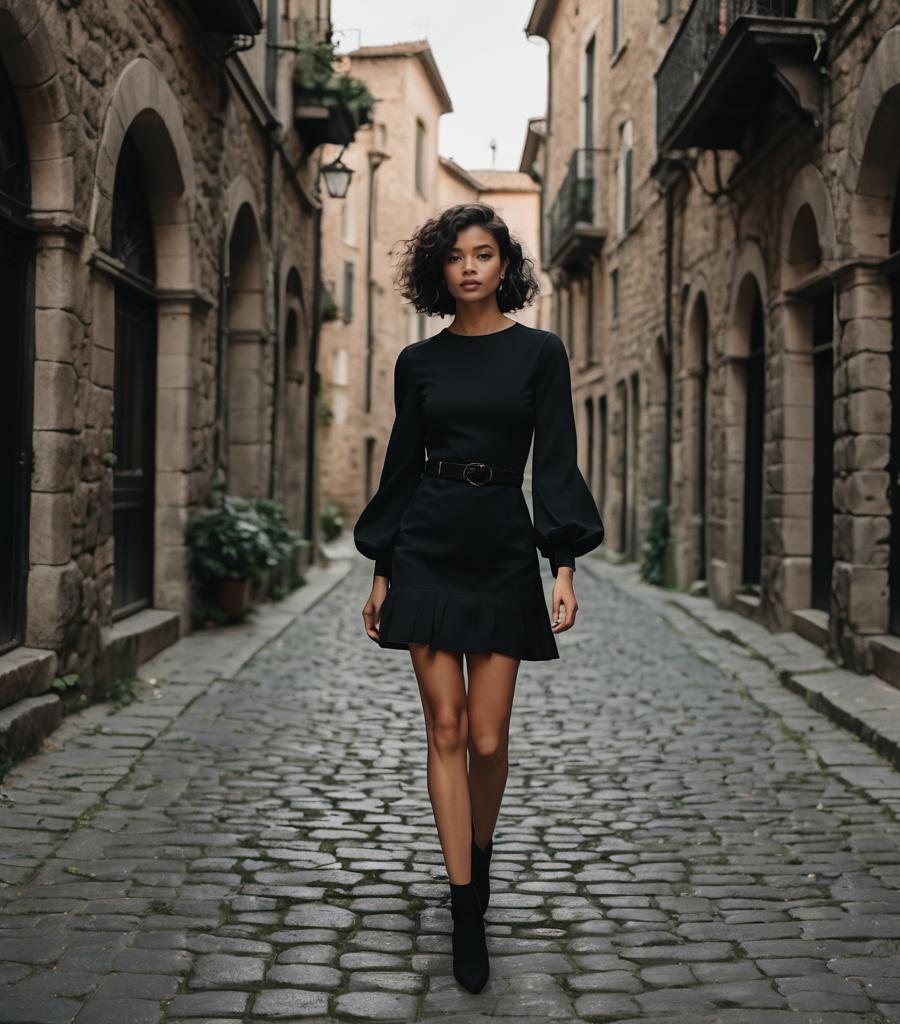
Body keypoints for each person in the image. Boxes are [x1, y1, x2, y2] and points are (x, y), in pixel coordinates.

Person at [351, 202, 604, 993]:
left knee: (490, 740)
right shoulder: (417, 364)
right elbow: (398, 466)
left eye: (484, 253)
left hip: (499, 543)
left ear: (505, 266)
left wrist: (561, 562)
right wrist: (383, 565)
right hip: (426, 543)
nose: (469, 266)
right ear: (441, 269)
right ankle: (466, 908)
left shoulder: (541, 354)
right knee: (447, 729)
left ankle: (479, 860)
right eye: (456, 255)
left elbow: (557, 460)